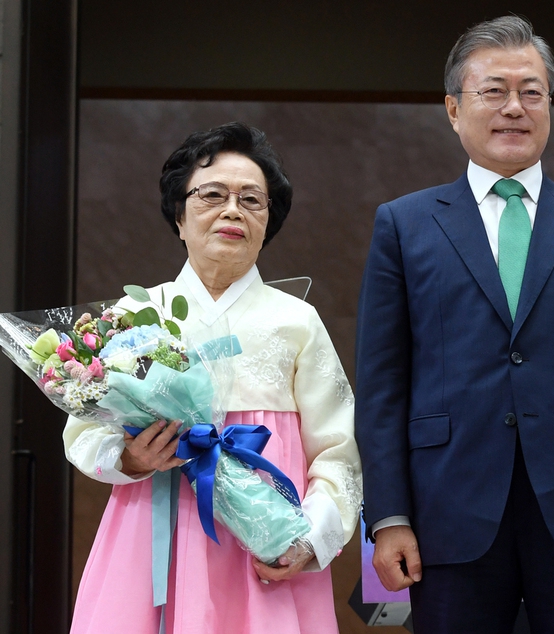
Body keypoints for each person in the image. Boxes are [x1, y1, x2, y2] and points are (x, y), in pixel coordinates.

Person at [355, 15, 554, 634]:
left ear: (550, 105)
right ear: (453, 108)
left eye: (532, 91)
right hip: (447, 511)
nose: (514, 108)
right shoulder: (404, 224)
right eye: (492, 91)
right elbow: (383, 379)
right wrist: (388, 515)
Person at [63, 122, 362, 633]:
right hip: (157, 535)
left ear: (269, 221)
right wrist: (131, 458)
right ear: (179, 216)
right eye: (212, 195)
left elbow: (337, 451)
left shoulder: (297, 321)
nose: (232, 211)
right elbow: (84, 432)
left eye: (252, 200)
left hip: (264, 546)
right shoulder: (134, 315)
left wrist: (307, 539)